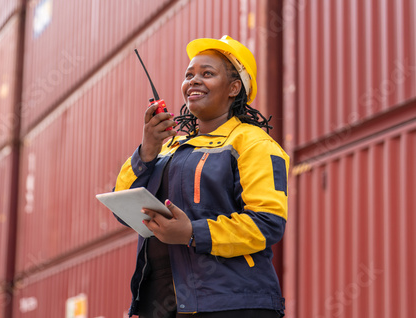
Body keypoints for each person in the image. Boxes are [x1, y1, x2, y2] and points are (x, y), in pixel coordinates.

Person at [114, 35, 289, 317]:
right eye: (189, 75)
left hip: (232, 304)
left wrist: (192, 233)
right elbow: (122, 208)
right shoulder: (168, 146)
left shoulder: (253, 144)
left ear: (234, 88)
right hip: (162, 304)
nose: (193, 81)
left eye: (207, 74)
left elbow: (267, 223)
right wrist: (146, 150)